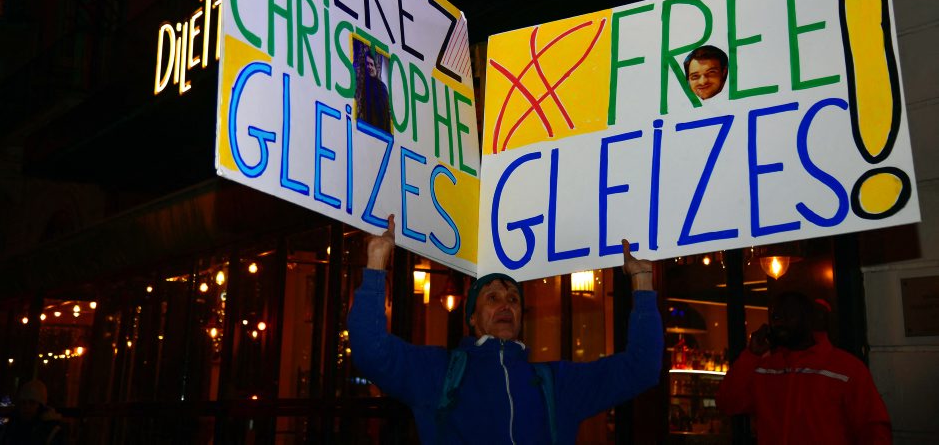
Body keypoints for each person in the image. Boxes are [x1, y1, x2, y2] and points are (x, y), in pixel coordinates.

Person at [348, 215, 664, 444]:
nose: (505, 305)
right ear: (472, 318)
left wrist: (642, 280)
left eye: (513, 299)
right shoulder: (439, 373)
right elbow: (370, 350)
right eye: (493, 297)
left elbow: (642, 368)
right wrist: (376, 261)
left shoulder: (556, 384)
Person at [716, 291, 891, 444]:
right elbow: (728, 403)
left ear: (808, 320)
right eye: (776, 317)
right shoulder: (764, 367)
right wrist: (751, 355)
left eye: (790, 316)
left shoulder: (845, 368)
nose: (781, 323)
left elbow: (873, 428)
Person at [0, 379, 67, 445]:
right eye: (23, 402)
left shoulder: (51, 431)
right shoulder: (10, 427)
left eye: (32, 403)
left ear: (40, 406)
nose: (27, 406)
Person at [355, 46, 391, 132]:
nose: (370, 67)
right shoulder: (363, 86)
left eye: (372, 64)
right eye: (367, 64)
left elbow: (382, 113)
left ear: (375, 68)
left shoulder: (381, 87)